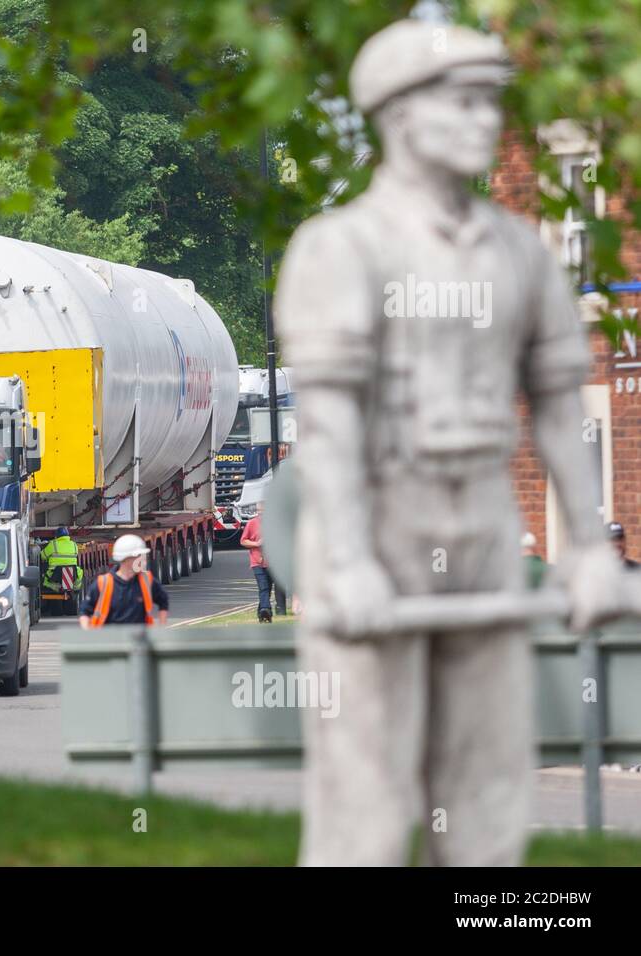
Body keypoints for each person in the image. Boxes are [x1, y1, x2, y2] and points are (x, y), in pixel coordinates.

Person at [274, 19, 628, 866]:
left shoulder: (519, 251)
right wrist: (351, 560)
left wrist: (587, 545)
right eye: (463, 102)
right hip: (378, 520)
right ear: (400, 116)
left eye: (490, 102)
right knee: (365, 802)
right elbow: (329, 420)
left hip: (483, 524)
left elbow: (554, 399)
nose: (485, 120)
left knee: (488, 794)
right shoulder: (342, 248)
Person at [78, 533, 168, 628]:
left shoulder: (147, 580)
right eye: (139, 556)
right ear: (126, 558)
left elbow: (163, 601)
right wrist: (87, 633)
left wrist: (161, 628)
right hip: (110, 640)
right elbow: (84, 611)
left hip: (138, 640)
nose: (144, 560)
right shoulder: (103, 583)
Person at [240, 503, 285, 622]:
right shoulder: (251, 523)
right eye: (260, 511)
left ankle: (262, 613)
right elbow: (243, 541)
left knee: (268, 588)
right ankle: (266, 609)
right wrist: (256, 544)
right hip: (257, 562)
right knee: (263, 587)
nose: (262, 513)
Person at [40, 526, 83, 602]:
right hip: (72, 573)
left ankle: (56, 588)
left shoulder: (53, 544)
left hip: (55, 574)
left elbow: (42, 556)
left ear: (56, 536)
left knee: (45, 580)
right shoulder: (74, 545)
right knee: (80, 572)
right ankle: (75, 590)